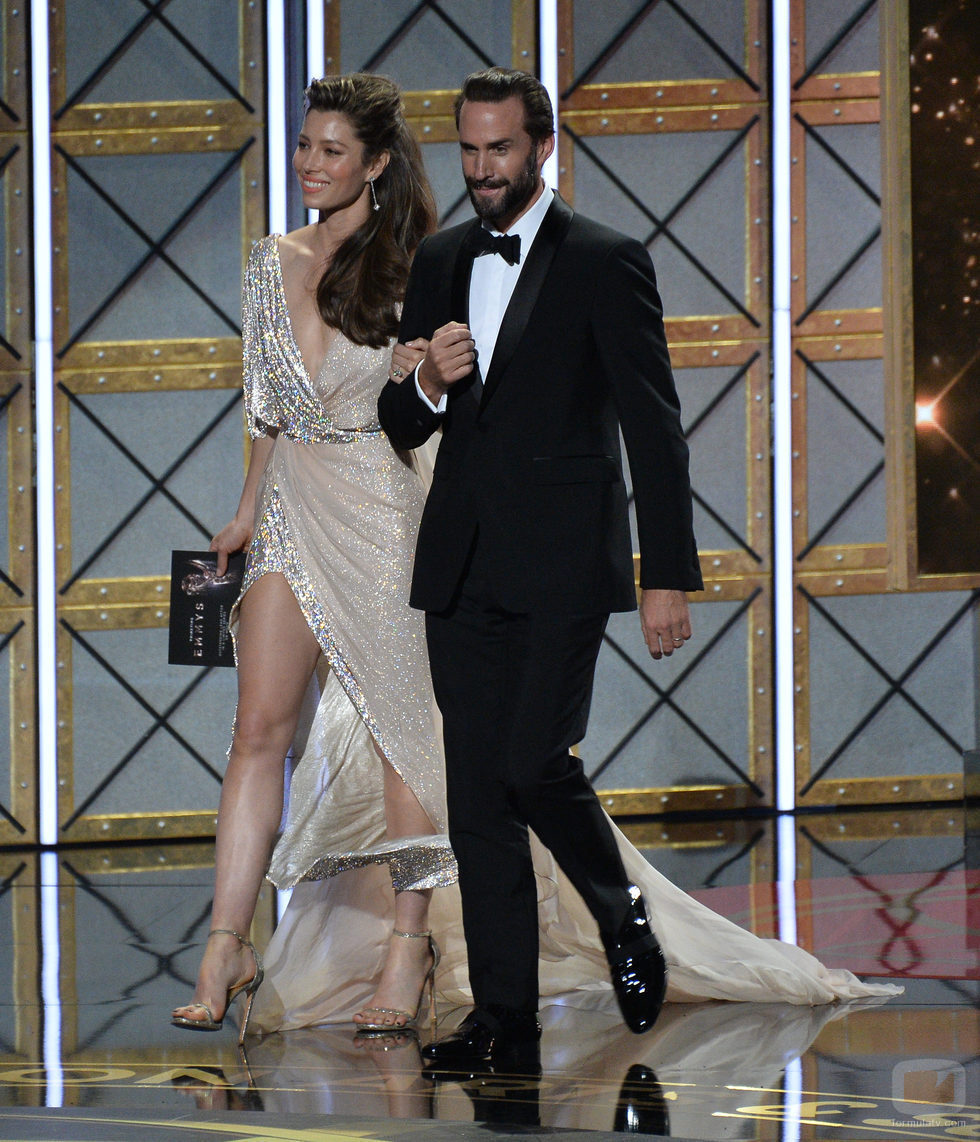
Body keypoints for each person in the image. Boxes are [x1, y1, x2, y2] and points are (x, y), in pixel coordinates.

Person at [377, 67, 901, 1065]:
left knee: (534, 763)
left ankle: (621, 913)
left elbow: (654, 428)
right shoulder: (440, 258)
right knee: (479, 796)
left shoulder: (605, 261)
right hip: (460, 565)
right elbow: (399, 419)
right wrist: (429, 385)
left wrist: (665, 573)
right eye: (468, 150)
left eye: (499, 149)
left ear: (542, 148)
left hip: (566, 563)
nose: (482, 168)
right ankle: (504, 1020)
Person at [171, 73, 456, 1043]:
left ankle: (404, 947)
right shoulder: (267, 259)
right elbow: (264, 405)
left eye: (331, 150)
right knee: (258, 727)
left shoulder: (419, 258)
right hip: (291, 505)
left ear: (374, 162)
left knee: (398, 731)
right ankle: (224, 941)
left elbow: (431, 404)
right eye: (303, 146)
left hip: (381, 503)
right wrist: (247, 508)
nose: (309, 163)